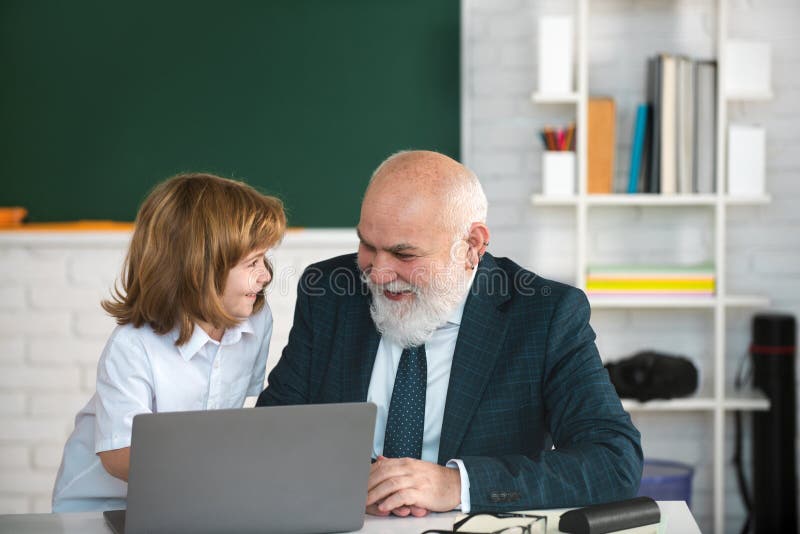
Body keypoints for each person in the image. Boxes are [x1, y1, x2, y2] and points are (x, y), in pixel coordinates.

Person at [257, 150, 642, 516]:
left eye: (404, 255)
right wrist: (348, 482)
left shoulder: (545, 314)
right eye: (367, 245)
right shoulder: (329, 291)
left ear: (472, 245)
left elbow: (613, 461)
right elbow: (270, 436)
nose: (378, 272)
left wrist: (457, 485)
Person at [52, 173, 286, 512]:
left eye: (264, 260)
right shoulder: (133, 346)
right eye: (252, 263)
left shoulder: (256, 321)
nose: (265, 275)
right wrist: (222, 473)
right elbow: (119, 456)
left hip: (182, 499)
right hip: (101, 507)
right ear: (198, 269)